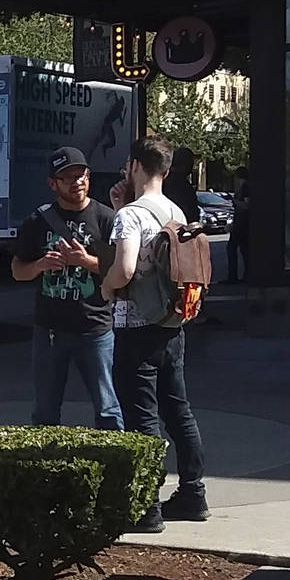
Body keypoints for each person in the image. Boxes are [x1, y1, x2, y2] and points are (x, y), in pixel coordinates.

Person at [101, 135, 208, 532]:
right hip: (172, 325)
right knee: (178, 410)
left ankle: (147, 508)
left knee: (141, 417)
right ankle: (193, 493)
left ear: (134, 166)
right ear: (165, 170)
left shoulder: (130, 216)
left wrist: (107, 287)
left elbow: (126, 268)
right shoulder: (175, 211)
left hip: (136, 328)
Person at [11, 146, 123, 432]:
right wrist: (40, 265)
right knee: (46, 410)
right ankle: (47, 470)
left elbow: (119, 274)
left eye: (81, 175)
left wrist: (85, 261)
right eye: (68, 178)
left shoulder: (105, 218)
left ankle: (116, 467)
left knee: (108, 407)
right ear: (53, 184)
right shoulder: (38, 222)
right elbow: (17, 271)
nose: (77, 182)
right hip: (49, 331)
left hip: (95, 328)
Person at [227, 166, 251, 285]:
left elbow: (247, 205)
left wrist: (235, 202)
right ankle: (244, 275)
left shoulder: (246, 187)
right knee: (242, 249)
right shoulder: (243, 187)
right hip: (240, 222)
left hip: (242, 223)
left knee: (234, 248)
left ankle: (234, 276)